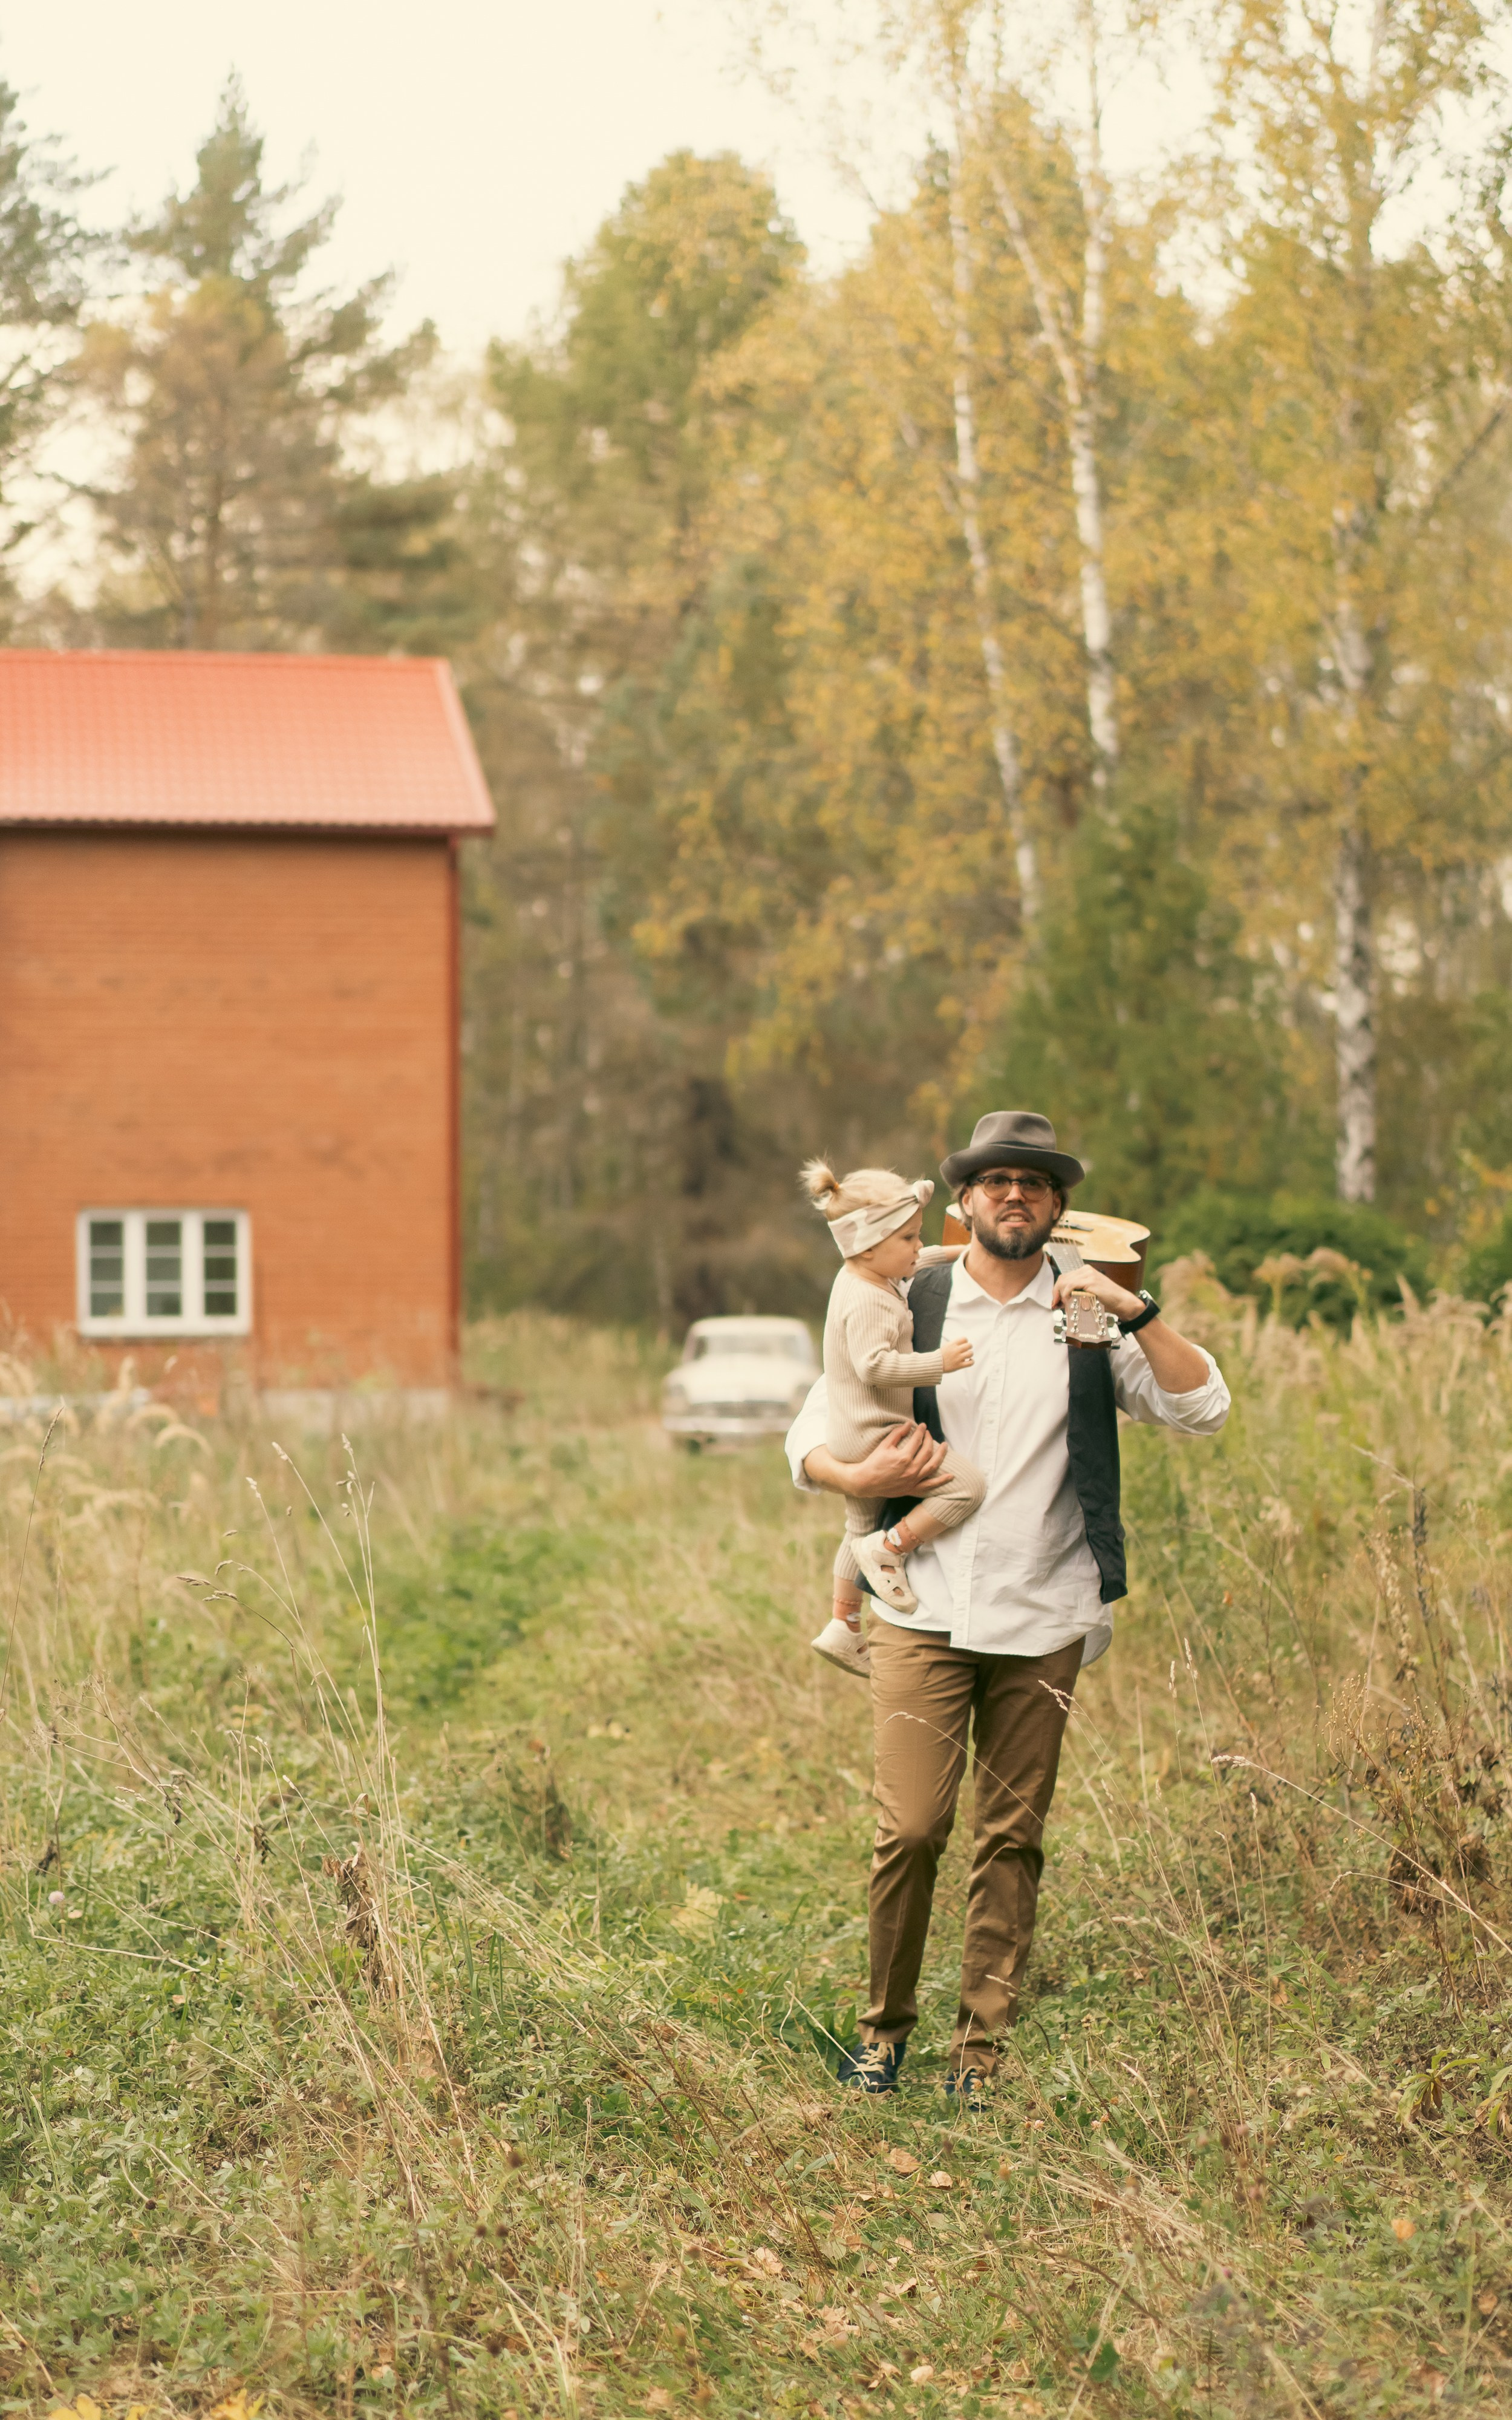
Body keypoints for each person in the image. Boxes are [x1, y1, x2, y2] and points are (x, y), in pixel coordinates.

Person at [784, 1109, 1230, 2102]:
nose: (1015, 1194)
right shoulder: (912, 1294)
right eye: (996, 1180)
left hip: (1046, 1614)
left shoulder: (1090, 1314)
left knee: (1012, 1838)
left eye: (1034, 1180)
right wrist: (847, 1465)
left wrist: (1140, 1310)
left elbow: (1205, 1408)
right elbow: (813, 1428)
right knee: (910, 1829)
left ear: (1059, 1206)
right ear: (964, 1202)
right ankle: (883, 2032)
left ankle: (978, 2055)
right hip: (920, 1608)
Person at [800, 1160, 985, 1682]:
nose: (916, 1246)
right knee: (966, 1489)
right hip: (877, 1433)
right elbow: (874, 1365)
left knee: (856, 1525)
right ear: (870, 1244)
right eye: (908, 1238)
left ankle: (843, 1626)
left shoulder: (864, 1272)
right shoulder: (870, 1303)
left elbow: (917, 1259)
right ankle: (892, 1547)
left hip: (852, 1430)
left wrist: (966, 1253)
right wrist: (939, 1364)